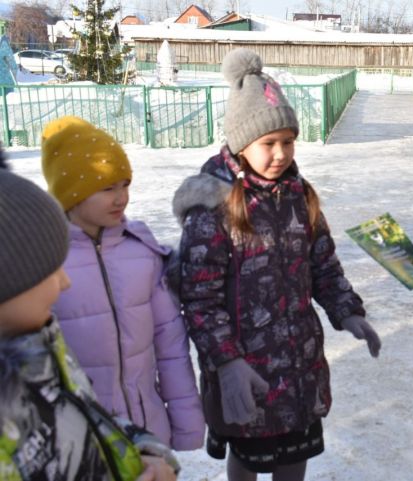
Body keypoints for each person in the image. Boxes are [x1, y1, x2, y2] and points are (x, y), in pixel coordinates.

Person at [171, 48, 382, 481]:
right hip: (247, 369)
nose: (281, 153)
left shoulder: (299, 196)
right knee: (250, 458)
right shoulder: (214, 205)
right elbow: (200, 298)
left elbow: (323, 266)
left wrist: (348, 311)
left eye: (288, 141)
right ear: (240, 142)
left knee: (294, 455)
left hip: (299, 362)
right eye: (268, 143)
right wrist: (226, 363)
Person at [0, 167, 179, 481]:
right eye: (50, 270)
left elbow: (84, 419)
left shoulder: (42, 347)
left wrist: (141, 449)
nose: (65, 282)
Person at [39, 116, 205, 451]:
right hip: (80, 439)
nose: (121, 198)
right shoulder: (46, 263)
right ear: (71, 194)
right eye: (106, 188)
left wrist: (187, 424)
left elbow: (170, 346)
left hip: (147, 430)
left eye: (125, 184)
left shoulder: (141, 251)